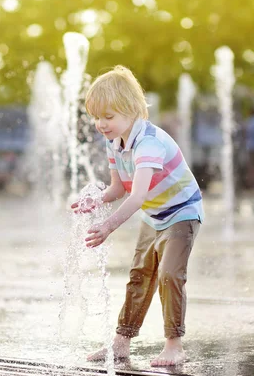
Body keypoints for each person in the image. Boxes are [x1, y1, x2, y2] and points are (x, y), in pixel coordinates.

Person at [70, 66, 204, 367]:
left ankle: (174, 345)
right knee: (139, 277)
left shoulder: (149, 144)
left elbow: (138, 195)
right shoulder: (114, 142)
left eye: (108, 116)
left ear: (131, 110)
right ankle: (120, 343)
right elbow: (119, 187)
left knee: (169, 274)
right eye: (96, 117)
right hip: (154, 215)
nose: (101, 124)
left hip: (182, 212)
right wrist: (96, 200)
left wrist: (107, 226)